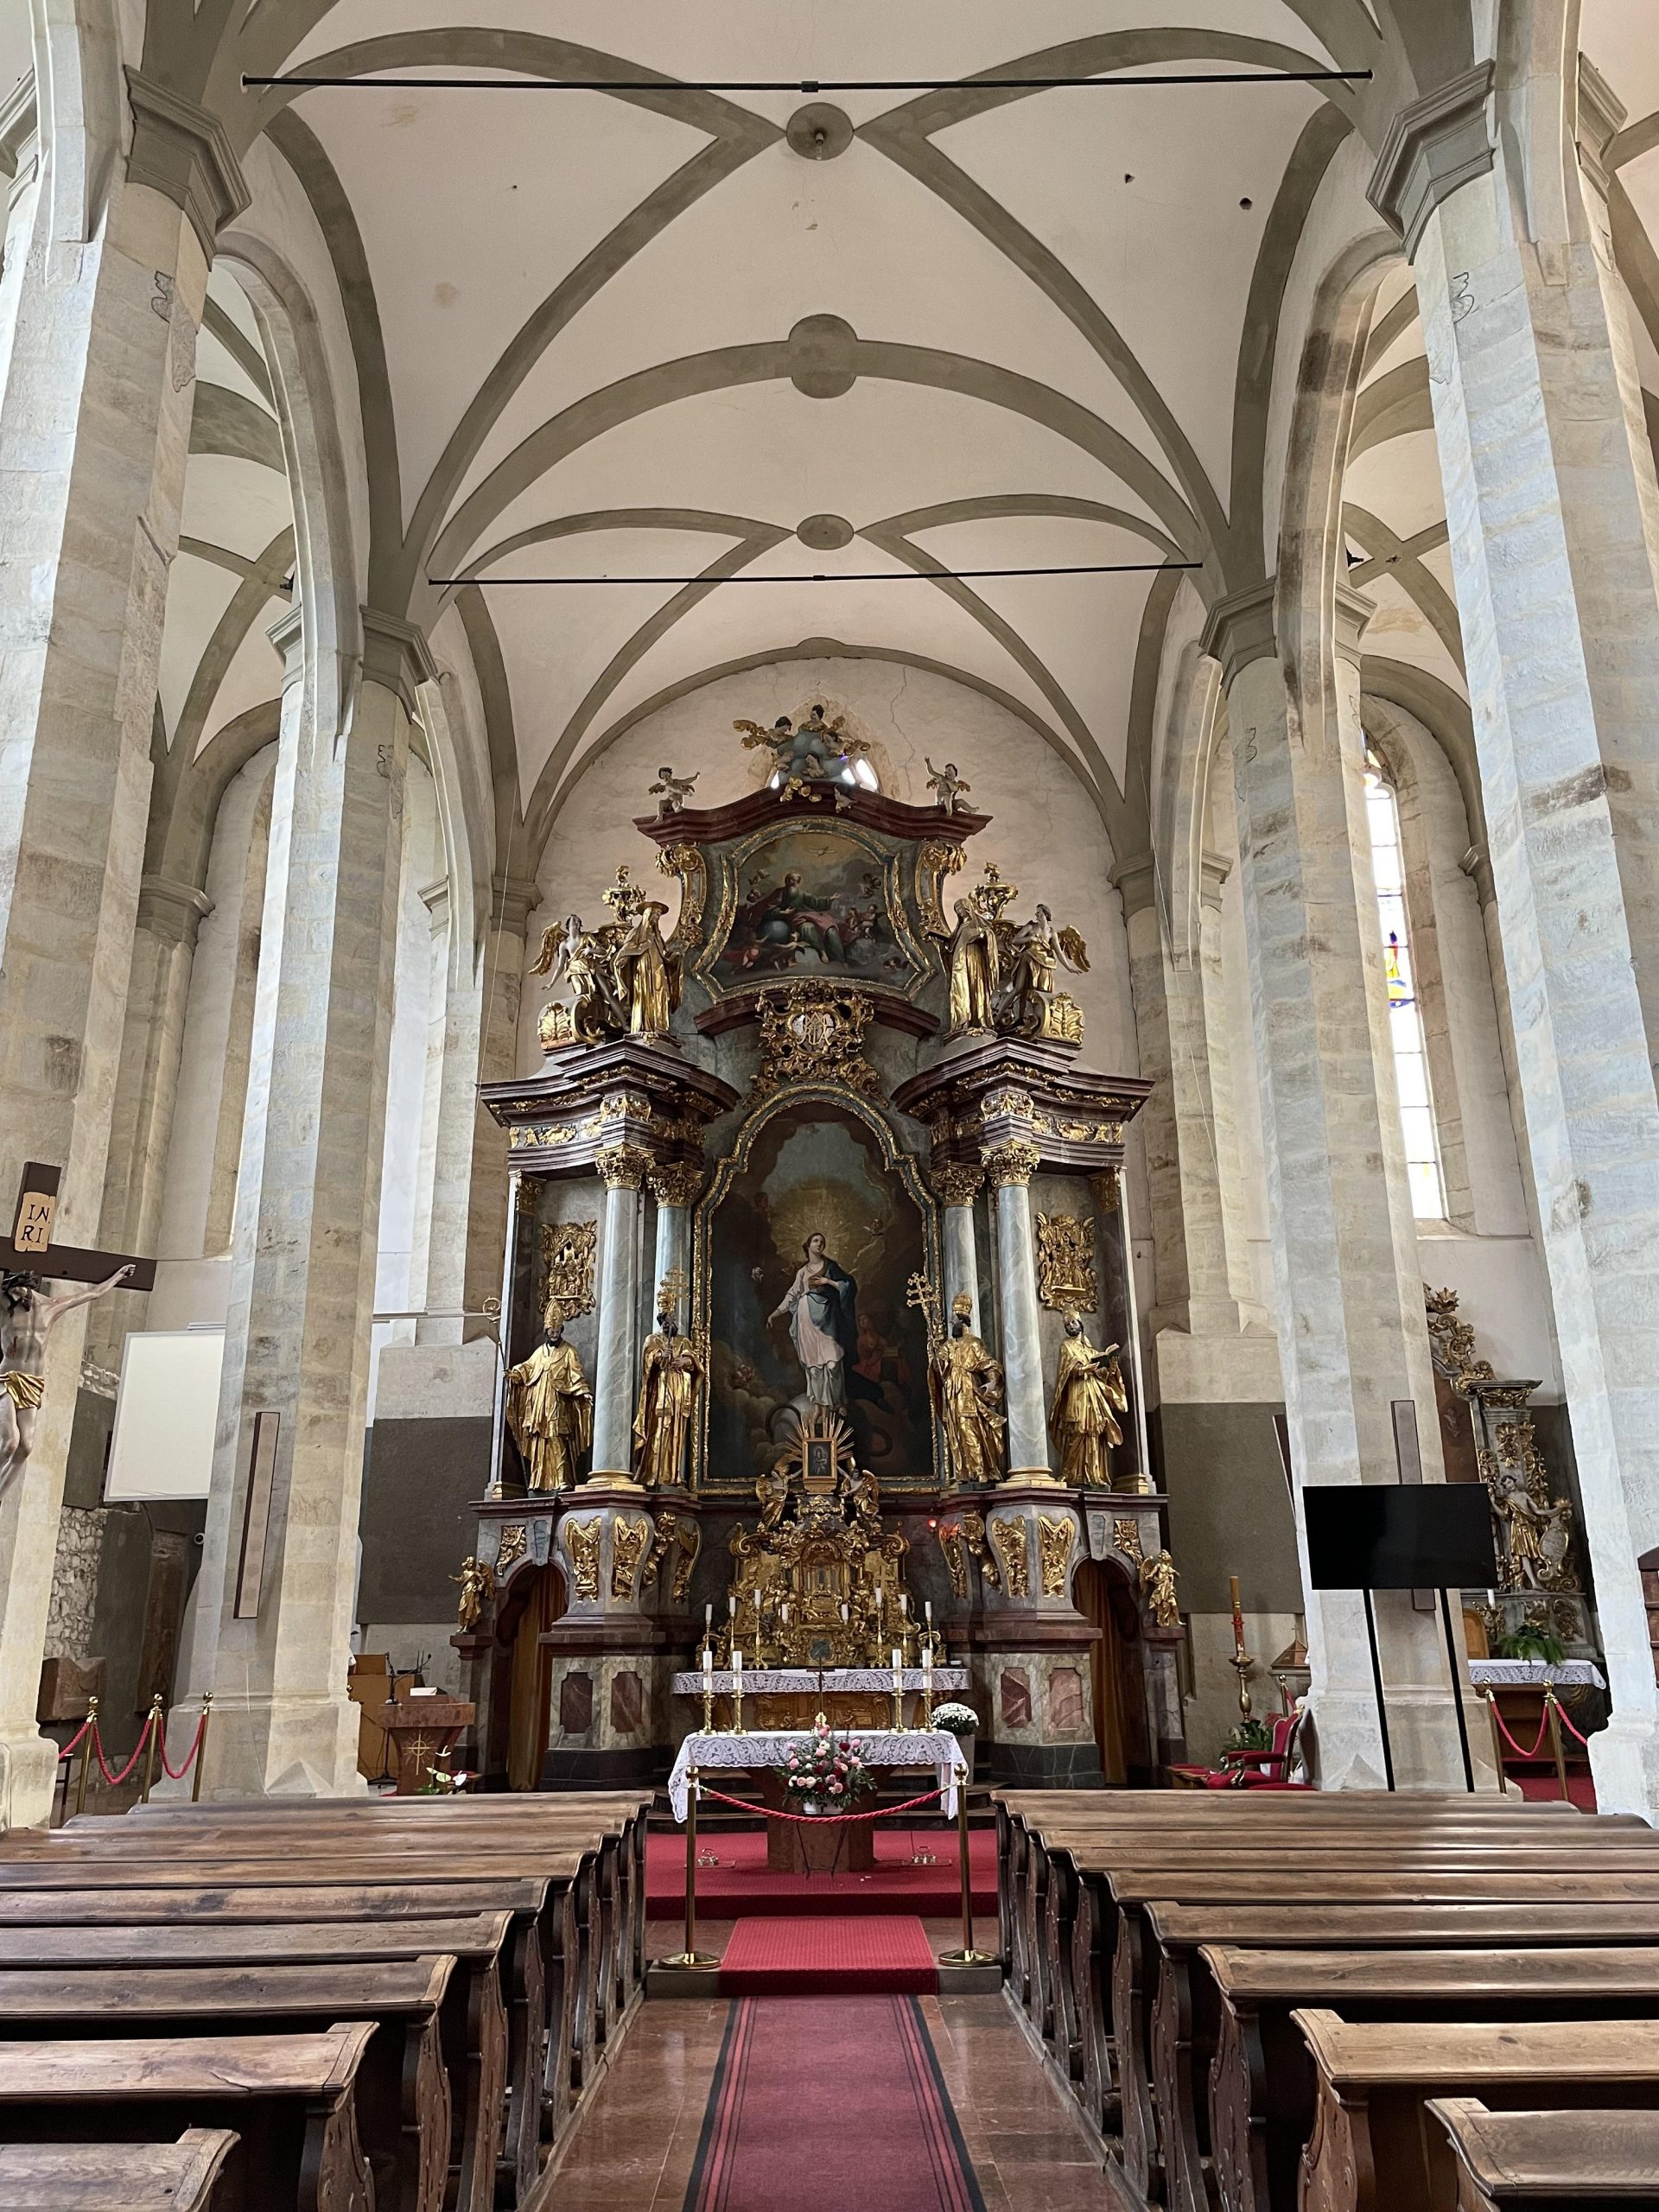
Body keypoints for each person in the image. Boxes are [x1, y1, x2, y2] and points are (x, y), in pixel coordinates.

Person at [0, 1265, 135, 1503]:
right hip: (7, 1378)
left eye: (15, 1295)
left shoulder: (51, 1307)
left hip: (33, 1382)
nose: (12, 1301)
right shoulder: (4, 1305)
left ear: (26, 1289)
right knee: (10, 1441)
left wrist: (118, 1276)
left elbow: (91, 1294)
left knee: (26, 1447)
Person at [504, 1312, 593, 1491]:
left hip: (557, 1402)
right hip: (538, 1403)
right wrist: (515, 1374)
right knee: (538, 1440)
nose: (554, 1333)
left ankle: (561, 1479)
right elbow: (527, 1368)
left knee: (555, 1437)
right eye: (551, 1330)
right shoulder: (540, 1352)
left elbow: (576, 1375)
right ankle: (538, 1480)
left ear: (561, 1329)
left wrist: (584, 1392)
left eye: (557, 1329)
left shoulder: (569, 1351)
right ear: (546, 1330)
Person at [771, 1231, 859, 1409]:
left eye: (822, 1242)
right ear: (808, 1245)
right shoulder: (802, 1272)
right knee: (814, 1368)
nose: (819, 1244)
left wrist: (828, 1281)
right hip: (805, 1320)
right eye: (816, 1241)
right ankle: (820, 1405)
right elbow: (792, 1295)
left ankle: (837, 1401)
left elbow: (848, 1285)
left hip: (828, 1319)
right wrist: (775, 1313)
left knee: (833, 1364)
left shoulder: (831, 1267)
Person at [928, 1292, 1007, 1485]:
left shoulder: (972, 1344)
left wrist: (992, 1382)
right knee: (957, 1435)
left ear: (962, 1322)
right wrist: (936, 1359)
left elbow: (989, 1365)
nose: (950, 1324)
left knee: (970, 1431)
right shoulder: (947, 1346)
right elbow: (939, 1369)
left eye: (953, 1320)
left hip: (968, 1393)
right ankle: (965, 1472)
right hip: (952, 1396)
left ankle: (981, 1472)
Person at [632, 1295, 705, 1486]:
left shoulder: (683, 1341)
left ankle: (673, 1475)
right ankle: (652, 1473)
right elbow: (647, 1360)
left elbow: (694, 1362)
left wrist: (685, 1361)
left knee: (676, 1433)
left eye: (671, 1320)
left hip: (679, 1391)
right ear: (660, 1321)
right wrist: (658, 1356)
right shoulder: (653, 1339)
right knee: (659, 1430)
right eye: (664, 1321)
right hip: (661, 1392)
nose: (668, 1324)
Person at [1048, 1313, 1127, 1488]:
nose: (1070, 1326)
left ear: (1081, 1324)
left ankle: (1095, 1474)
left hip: (1094, 1394)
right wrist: (1085, 1369)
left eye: (1073, 1322)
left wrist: (1111, 1369)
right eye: (1067, 1324)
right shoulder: (1066, 1346)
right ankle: (1068, 1472)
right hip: (1078, 1394)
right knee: (1078, 1430)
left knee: (1096, 1432)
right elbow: (1067, 1370)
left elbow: (1102, 1375)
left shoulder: (1090, 1350)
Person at [941, 895, 1001, 1035]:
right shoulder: (960, 927)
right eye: (957, 909)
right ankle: (961, 1021)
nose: (959, 911)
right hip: (959, 961)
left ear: (967, 908)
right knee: (959, 988)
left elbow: (989, 934)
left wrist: (980, 933)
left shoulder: (976, 923)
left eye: (960, 908)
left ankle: (976, 1020)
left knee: (974, 987)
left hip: (973, 959)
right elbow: (952, 946)